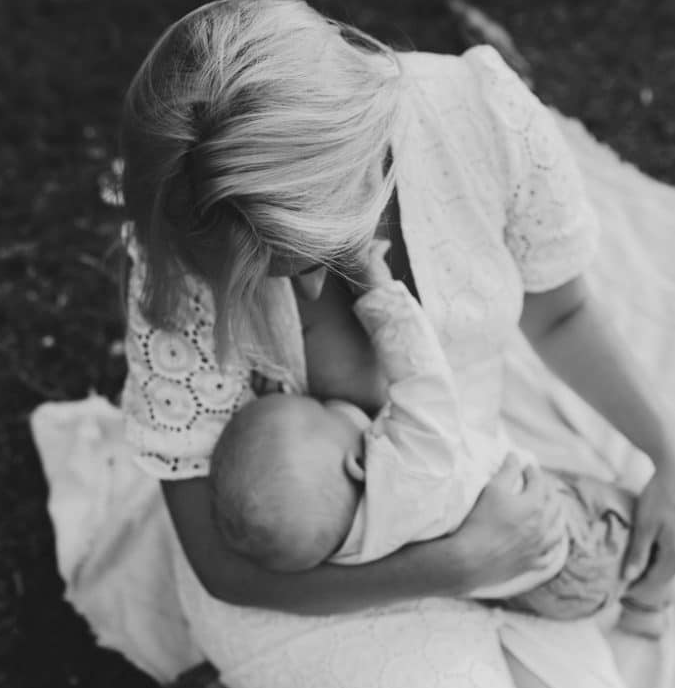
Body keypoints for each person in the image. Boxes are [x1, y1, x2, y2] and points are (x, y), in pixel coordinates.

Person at [0, 0, 675, 688]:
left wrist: (667, 456)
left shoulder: (475, 115)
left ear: (372, 163)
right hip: (290, 572)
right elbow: (229, 562)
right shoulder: (194, 230)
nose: (284, 286)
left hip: (452, 501)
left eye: (295, 260)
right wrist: (455, 566)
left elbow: (560, 313)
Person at [210, 237, 656, 632]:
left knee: (591, 574)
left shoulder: (339, 546)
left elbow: (287, 479)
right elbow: (423, 376)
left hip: (525, 582)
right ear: (360, 463)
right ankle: (649, 601)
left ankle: (630, 600)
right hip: (563, 543)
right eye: (322, 409)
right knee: (620, 512)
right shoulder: (411, 466)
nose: (320, 400)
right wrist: (376, 289)